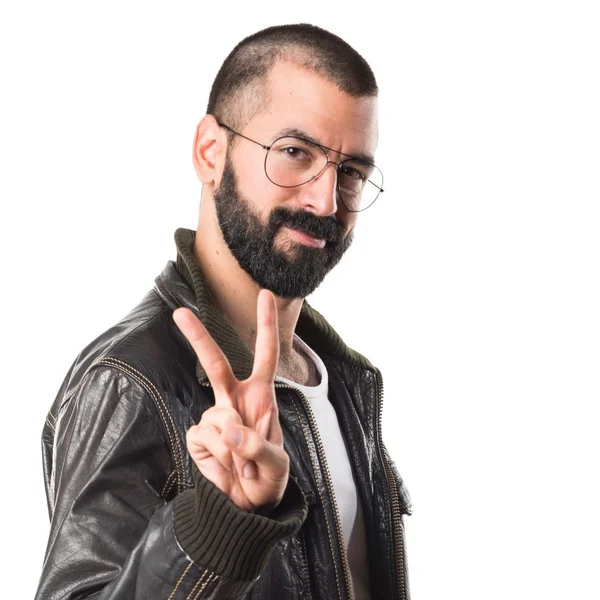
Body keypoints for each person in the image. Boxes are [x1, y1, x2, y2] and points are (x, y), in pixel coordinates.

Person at [36, 23, 413, 600]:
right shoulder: (134, 380)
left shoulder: (344, 382)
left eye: (353, 172)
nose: (325, 199)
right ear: (211, 152)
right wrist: (220, 525)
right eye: (294, 153)